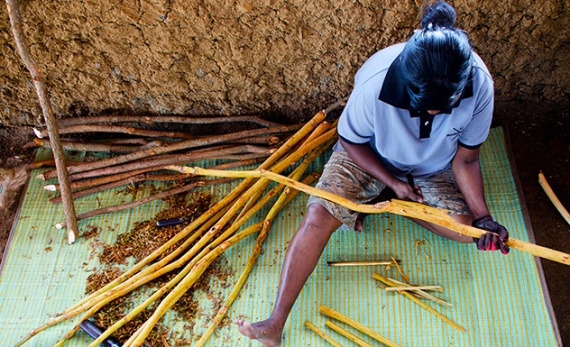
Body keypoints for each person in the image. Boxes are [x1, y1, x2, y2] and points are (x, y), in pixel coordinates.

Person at [236, 2, 509, 346]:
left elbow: (466, 160)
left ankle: (396, 201)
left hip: (432, 167)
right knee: (320, 212)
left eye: (444, 107)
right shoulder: (378, 82)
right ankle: (274, 324)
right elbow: (350, 140)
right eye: (424, 106)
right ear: (407, 84)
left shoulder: (479, 85)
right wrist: (392, 180)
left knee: (467, 230)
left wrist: (483, 218)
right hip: (370, 157)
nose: (434, 113)